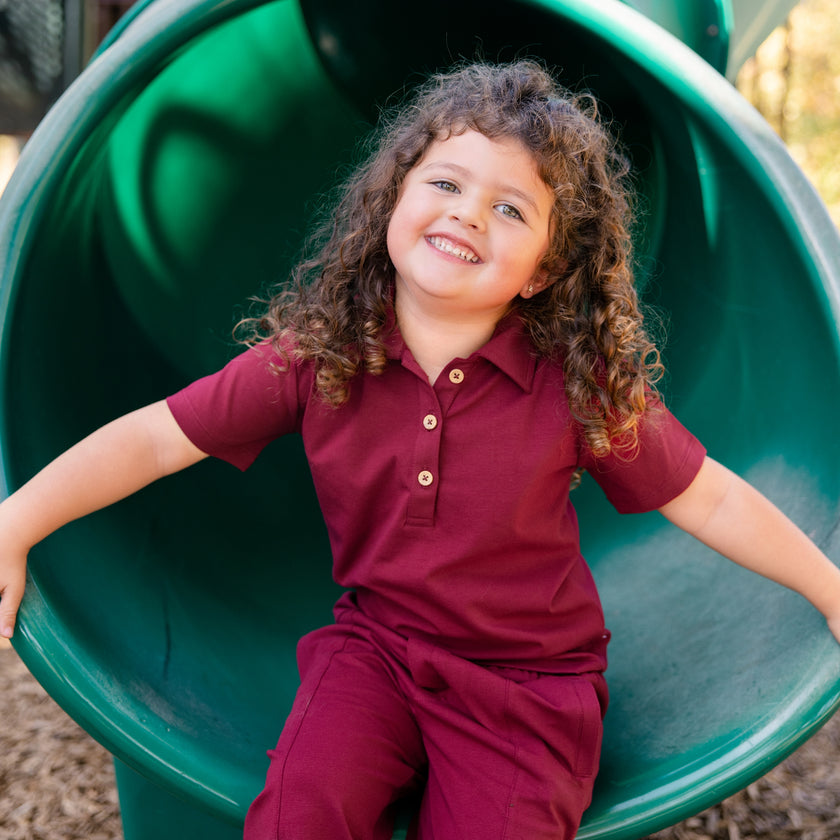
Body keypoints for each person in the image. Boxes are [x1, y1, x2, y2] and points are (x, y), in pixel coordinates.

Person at [1, 59, 839, 840]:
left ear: (544, 270)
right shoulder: (321, 355)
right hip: (377, 648)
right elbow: (158, 437)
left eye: (511, 208)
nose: (469, 212)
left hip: (528, 686)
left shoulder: (574, 385)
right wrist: (17, 522)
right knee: (301, 811)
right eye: (445, 182)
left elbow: (707, 494)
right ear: (392, 201)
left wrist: (829, 590)